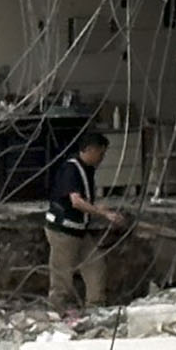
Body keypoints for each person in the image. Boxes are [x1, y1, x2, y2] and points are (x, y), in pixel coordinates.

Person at [42, 132, 125, 310]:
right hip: (62, 231)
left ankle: (95, 306)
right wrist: (103, 215)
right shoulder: (71, 169)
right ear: (89, 150)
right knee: (62, 274)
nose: (102, 159)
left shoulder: (87, 170)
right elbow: (76, 201)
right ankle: (57, 310)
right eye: (100, 154)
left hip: (79, 230)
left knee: (96, 265)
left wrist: (100, 209)